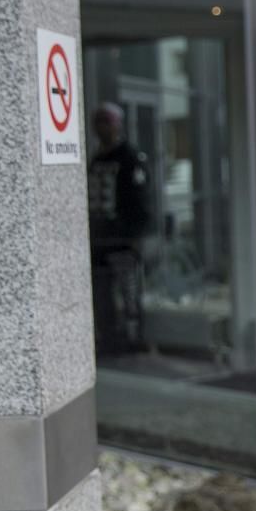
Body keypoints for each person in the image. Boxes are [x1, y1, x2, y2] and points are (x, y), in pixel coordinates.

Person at [87, 102, 153, 355]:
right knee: (101, 293)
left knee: (128, 292)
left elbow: (141, 200)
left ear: (118, 125)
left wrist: (134, 234)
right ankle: (109, 338)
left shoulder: (130, 159)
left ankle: (133, 340)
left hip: (123, 241)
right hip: (99, 241)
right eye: (98, 122)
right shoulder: (95, 159)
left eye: (107, 122)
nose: (102, 127)